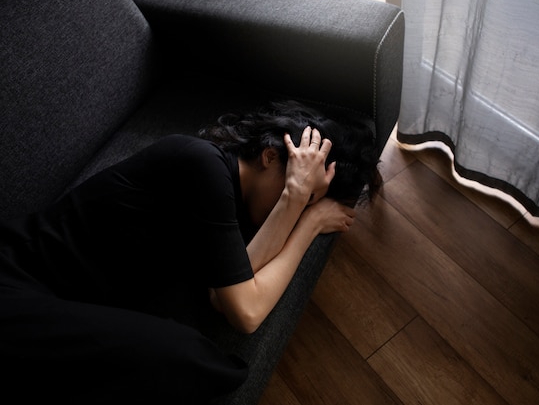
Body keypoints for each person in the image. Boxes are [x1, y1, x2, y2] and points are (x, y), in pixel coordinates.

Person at [0, 100, 381, 403]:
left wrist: (298, 204)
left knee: (180, 357)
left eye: (305, 203)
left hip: (61, 302)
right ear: (270, 156)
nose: (297, 209)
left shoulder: (232, 199)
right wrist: (306, 219)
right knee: (186, 357)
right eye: (298, 189)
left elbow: (226, 292)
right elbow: (246, 311)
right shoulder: (202, 165)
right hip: (16, 278)